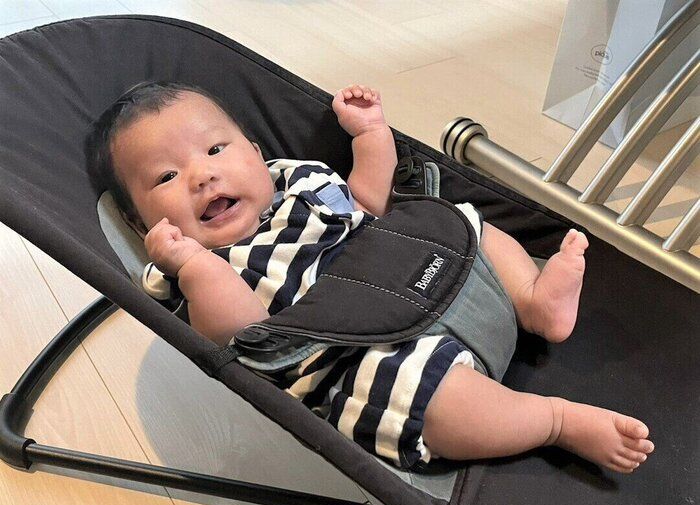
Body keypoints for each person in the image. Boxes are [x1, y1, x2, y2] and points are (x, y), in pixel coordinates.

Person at [87, 81, 654, 474]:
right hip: (358, 351)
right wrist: (192, 265)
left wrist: (371, 136)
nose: (202, 175)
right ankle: (554, 421)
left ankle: (534, 301)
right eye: (166, 177)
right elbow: (241, 334)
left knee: (459, 221)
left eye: (215, 149)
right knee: (418, 401)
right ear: (142, 224)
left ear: (257, 155)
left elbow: (368, 202)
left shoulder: (299, 182)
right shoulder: (187, 267)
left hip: (425, 273)